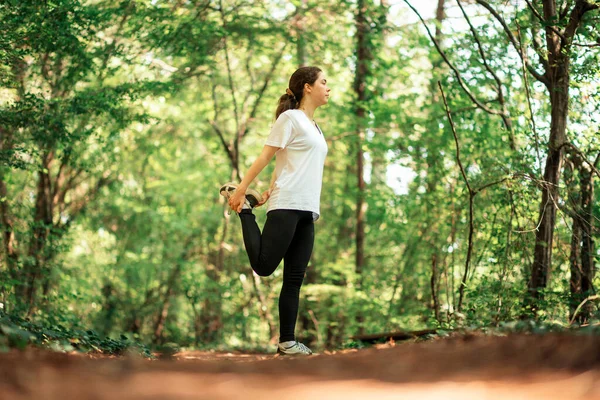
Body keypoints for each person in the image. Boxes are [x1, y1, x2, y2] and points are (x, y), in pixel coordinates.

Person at [220, 66, 330, 355]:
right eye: (323, 82)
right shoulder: (290, 118)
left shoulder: (316, 127)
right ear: (307, 87)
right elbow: (267, 155)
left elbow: (287, 159)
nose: (328, 88)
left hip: (308, 209)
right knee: (264, 266)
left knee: (294, 278)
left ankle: (287, 342)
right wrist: (243, 189)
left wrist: (268, 189)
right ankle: (246, 211)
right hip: (288, 203)